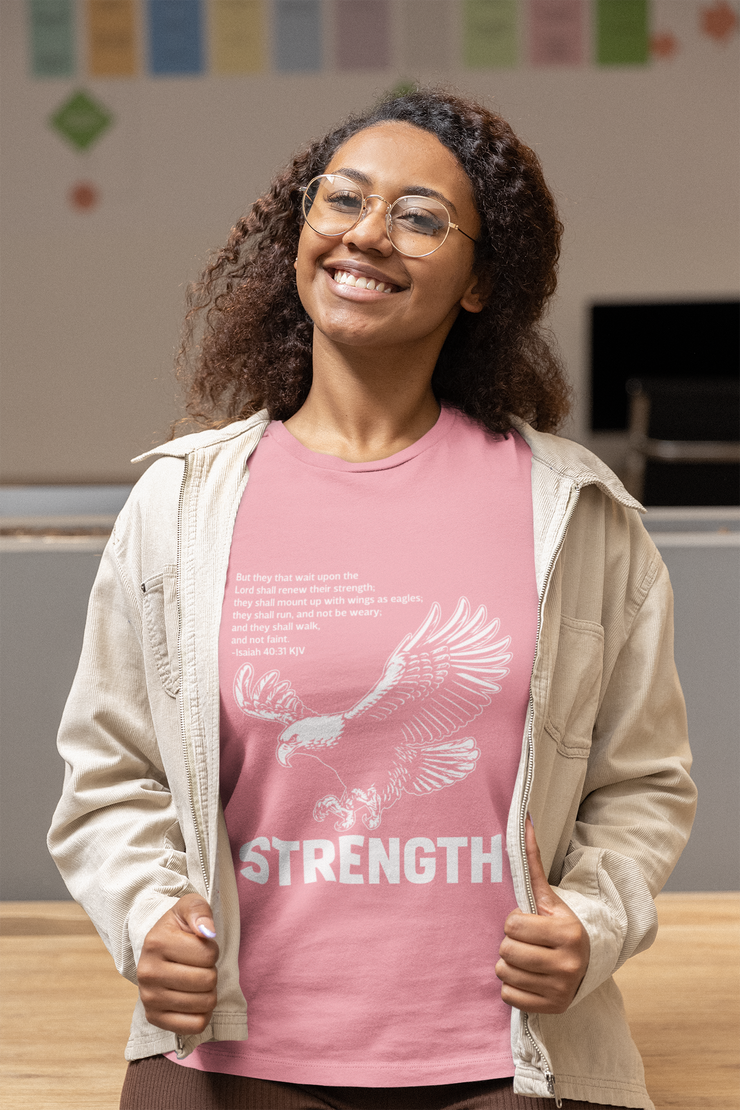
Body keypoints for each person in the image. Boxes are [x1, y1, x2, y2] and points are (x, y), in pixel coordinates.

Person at [48, 89, 695, 1110]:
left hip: (501, 1056)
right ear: (299, 232)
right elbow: (110, 773)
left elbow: (642, 783)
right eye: (340, 199)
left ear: (481, 280)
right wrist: (148, 916)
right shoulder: (181, 504)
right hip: (228, 1050)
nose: (365, 234)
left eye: (419, 216)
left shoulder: (573, 512)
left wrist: (589, 924)